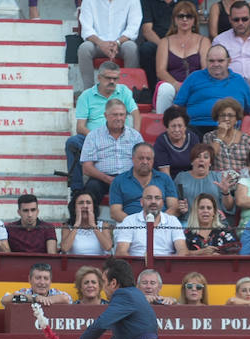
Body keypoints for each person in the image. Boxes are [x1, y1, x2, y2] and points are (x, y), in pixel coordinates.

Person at [66, 63, 141, 196]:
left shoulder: (124, 91)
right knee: (72, 142)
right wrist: (98, 138)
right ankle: (76, 189)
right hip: (91, 137)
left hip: (120, 134)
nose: (112, 82)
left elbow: (136, 114)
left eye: (115, 79)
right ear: (99, 78)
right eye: (108, 78)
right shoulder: (86, 95)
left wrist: (135, 134)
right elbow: (80, 127)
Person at [174, 45, 250, 132]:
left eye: (220, 61)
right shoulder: (194, 77)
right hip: (196, 127)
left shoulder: (238, 80)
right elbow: (177, 106)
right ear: (206, 61)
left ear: (229, 61)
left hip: (229, 129)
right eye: (211, 61)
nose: (216, 64)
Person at [79, 98, 145, 205]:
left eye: (121, 114)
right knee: (91, 188)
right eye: (114, 115)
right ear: (106, 115)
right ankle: (92, 221)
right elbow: (87, 168)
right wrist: (107, 178)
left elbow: (143, 161)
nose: (118, 118)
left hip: (129, 178)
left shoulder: (135, 136)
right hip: (102, 179)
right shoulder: (93, 136)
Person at [153, 0, 210, 113]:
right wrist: (176, 85)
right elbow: (160, 71)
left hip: (196, 85)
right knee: (165, 89)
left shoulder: (204, 41)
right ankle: (162, 124)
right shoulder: (165, 42)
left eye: (189, 16)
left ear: (194, 20)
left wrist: (189, 86)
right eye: (181, 16)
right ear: (175, 19)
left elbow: (205, 69)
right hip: (171, 85)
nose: (185, 19)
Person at [77, 0, 141, 89]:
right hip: (97, 44)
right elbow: (87, 29)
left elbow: (133, 27)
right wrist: (101, 43)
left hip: (121, 43)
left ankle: (127, 91)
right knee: (84, 48)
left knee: (131, 47)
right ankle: (89, 91)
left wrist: (118, 42)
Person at [109, 142, 180, 223]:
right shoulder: (119, 181)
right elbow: (115, 212)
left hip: (161, 226)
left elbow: (174, 207)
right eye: (141, 158)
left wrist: (158, 223)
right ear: (133, 159)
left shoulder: (164, 178)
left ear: (153, 160)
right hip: (130, 228)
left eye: (148, 159)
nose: (145, 162)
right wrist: (137, 225)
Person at [114, 185, 189, 256]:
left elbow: (182, 250)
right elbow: (121, 251)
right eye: (149, 198)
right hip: (136, 266)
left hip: (166, 266)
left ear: (162, 203)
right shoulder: (129, 221)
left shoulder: (172, 221)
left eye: (157, 198)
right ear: (141, 202)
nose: (153, 201)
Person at [173, 143, 236, 225]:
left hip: (215, 222)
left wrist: (226, 192)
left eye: (206, 157)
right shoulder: (181, 177)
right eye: (198, 157)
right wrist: (179, 208)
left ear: (210, 163)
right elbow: (173, 204)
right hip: (188, 222)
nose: (201, 160)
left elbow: (229, 207)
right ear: (192, 161)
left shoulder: (218, 177)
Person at [202, 97, 250, 172]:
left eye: (230, 115)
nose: (226, 118)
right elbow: (208, 158)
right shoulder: (208, 137)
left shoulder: (246, 138)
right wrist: (220, 136)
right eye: (222, 115)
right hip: (217, 180)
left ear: (236, 119)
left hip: (241, 180)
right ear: (217, 118)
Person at [139, 0, 181, 92]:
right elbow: (147, 31)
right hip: (157, 42)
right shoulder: (147, 2)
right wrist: (164, 46)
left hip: (181, 40)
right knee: (146, 49)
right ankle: (152, 91)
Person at [154, 105, 201, 179]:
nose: (177, 130)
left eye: (180, 126)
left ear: (185, 127)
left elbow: (197, 165)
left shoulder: (193, 138)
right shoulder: (161, 141)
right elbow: (165, 173)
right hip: (169, 180)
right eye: (173, 126)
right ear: (167, 127)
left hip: (190, 179)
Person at [1, 262, 72, 306]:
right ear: (30, 280)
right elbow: (4, 300)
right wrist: (34, 298)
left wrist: (47, 299)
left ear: (50, 281)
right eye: (38, 278)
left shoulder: (55, 293)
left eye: (46, 278)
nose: (42, 282)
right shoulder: (25, 292)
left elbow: (66, 299)